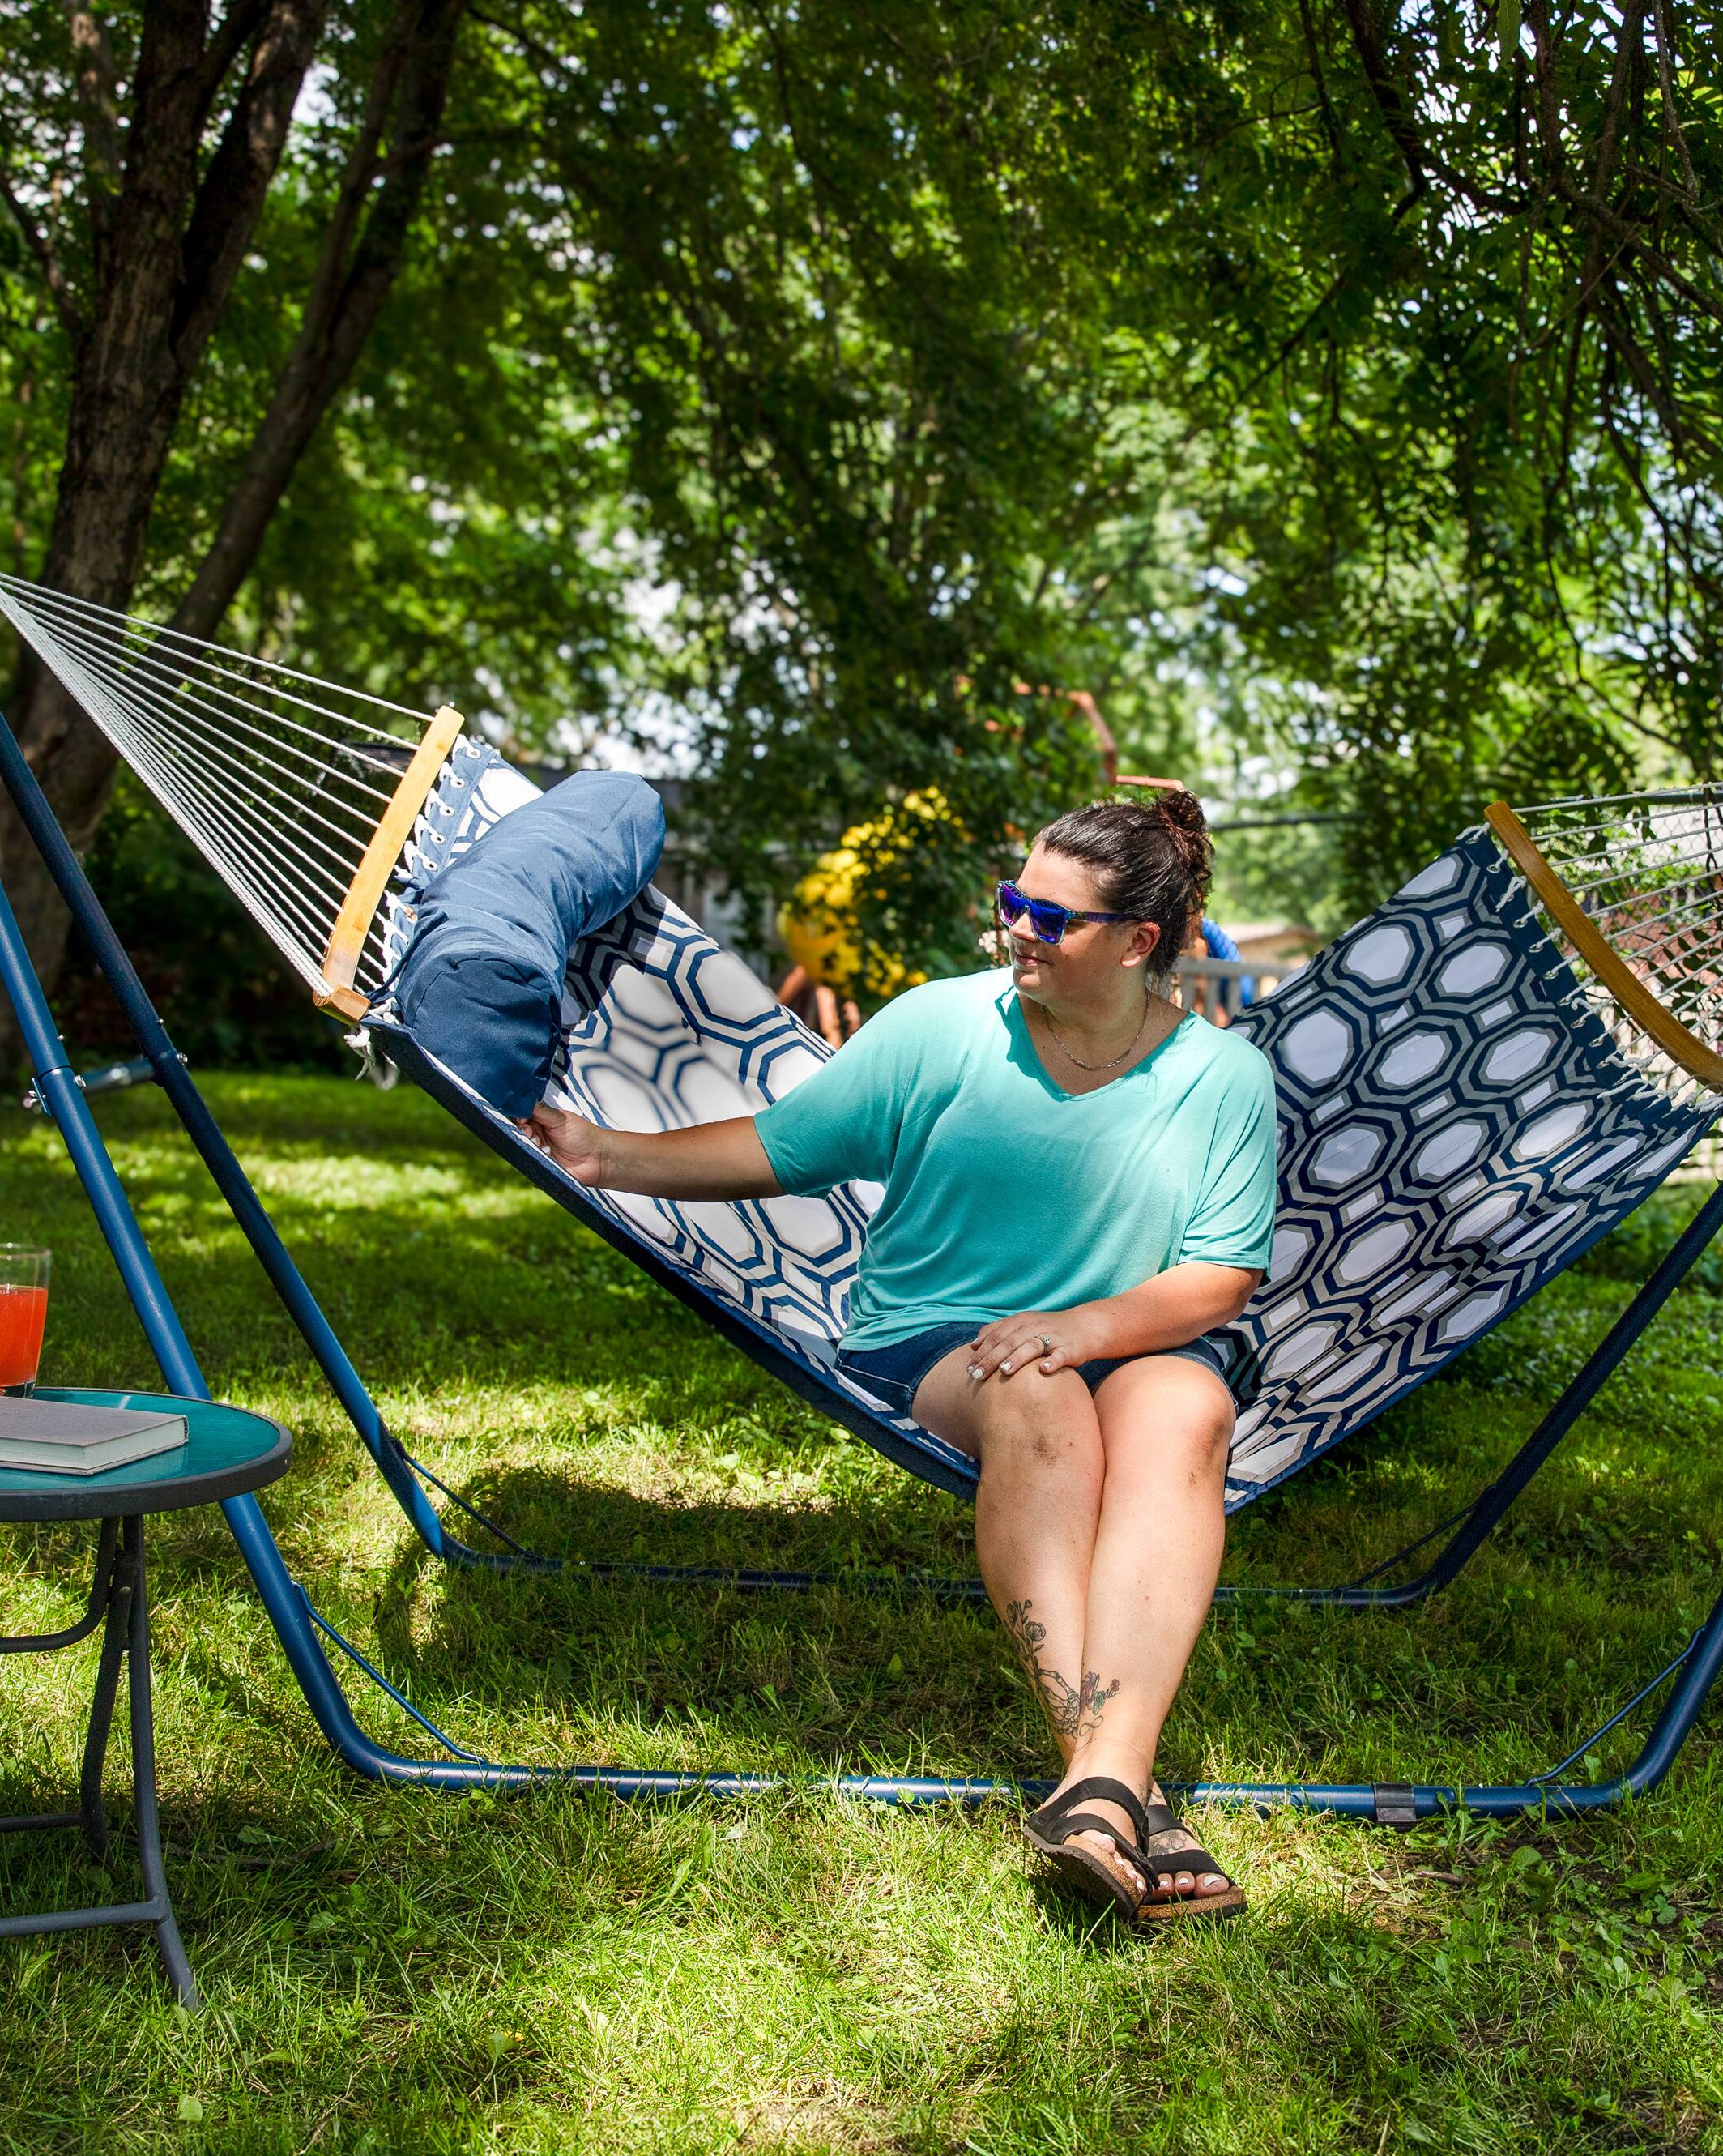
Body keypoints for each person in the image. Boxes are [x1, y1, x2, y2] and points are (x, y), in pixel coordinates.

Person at [527, 790, 1277, 1924]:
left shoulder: (1223, 1077)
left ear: (1139, 943)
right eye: (1015, 899)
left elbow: (1220, 1275)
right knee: (1037, 1396)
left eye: (1053, 918)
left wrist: (1085, 1327)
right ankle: (1118, 1780)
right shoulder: (943, 1024)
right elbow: (786, 1146)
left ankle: (1103, 1785)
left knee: (1187, 1412)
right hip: (937, 1333)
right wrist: (609, 1153)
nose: (1018, 927)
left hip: (1129, 1333)